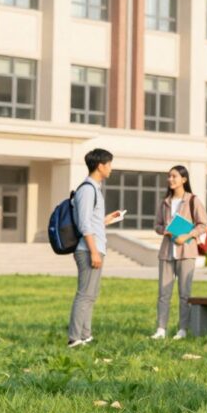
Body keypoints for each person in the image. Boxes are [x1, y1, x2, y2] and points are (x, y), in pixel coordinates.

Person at [68, 148, 123, 347]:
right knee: (84, 294)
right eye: (109, 164)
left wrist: (109, 219)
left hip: (95, 247)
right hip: (87, 249)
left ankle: (86, 335)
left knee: (91, 294)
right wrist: (93, 251)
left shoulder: (94, 189)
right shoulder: (87, 189)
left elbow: (93, 221)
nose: (111, 168)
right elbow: (84, 224)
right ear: (100, 165)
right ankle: (74, 338)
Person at [151, 165, 207, 340]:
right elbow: (157, 226)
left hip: (187, 252)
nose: (170, 179)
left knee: (184, 293)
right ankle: (161, 329)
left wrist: (187, 235)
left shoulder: (193, 200)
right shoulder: (164, 202)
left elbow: (203, 224)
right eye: (169, 176)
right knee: (163, 293)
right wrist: (165, 231)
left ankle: (183, 329)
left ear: (184, 179)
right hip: (167, 253)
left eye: (174, 176)